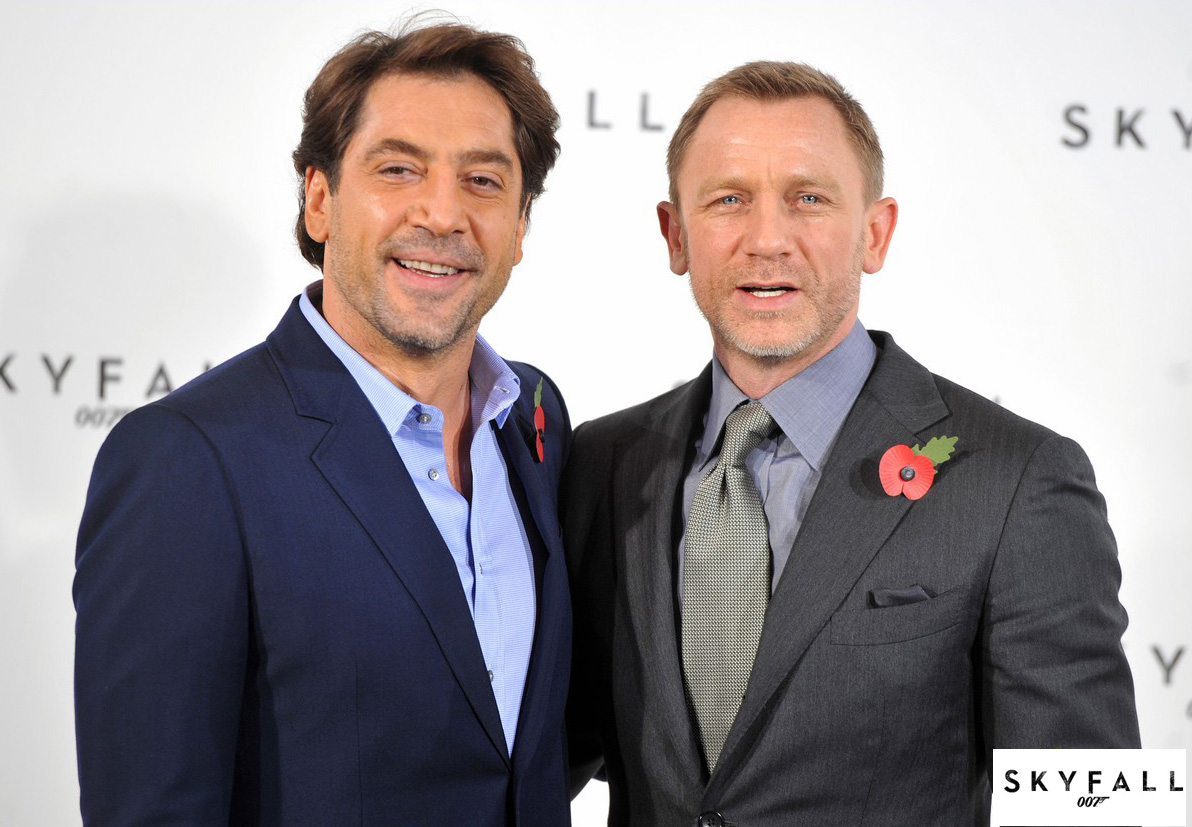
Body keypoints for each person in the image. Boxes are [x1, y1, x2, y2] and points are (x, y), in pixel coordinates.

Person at [563, 61, 1139, 825]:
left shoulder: (1022, 478)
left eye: (809, 198)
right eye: (729, 199)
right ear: (676, 235)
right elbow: (539, 758)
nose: (767, 239)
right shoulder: (602, 461)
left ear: (875, 232)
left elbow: (1096, 804)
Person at [74, 21, 571, 825]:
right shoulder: (188, 460)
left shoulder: (535, 419)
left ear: (519, 228)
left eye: (483, 180)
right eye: (399, 169)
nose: (443, 213)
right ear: (319, 200)